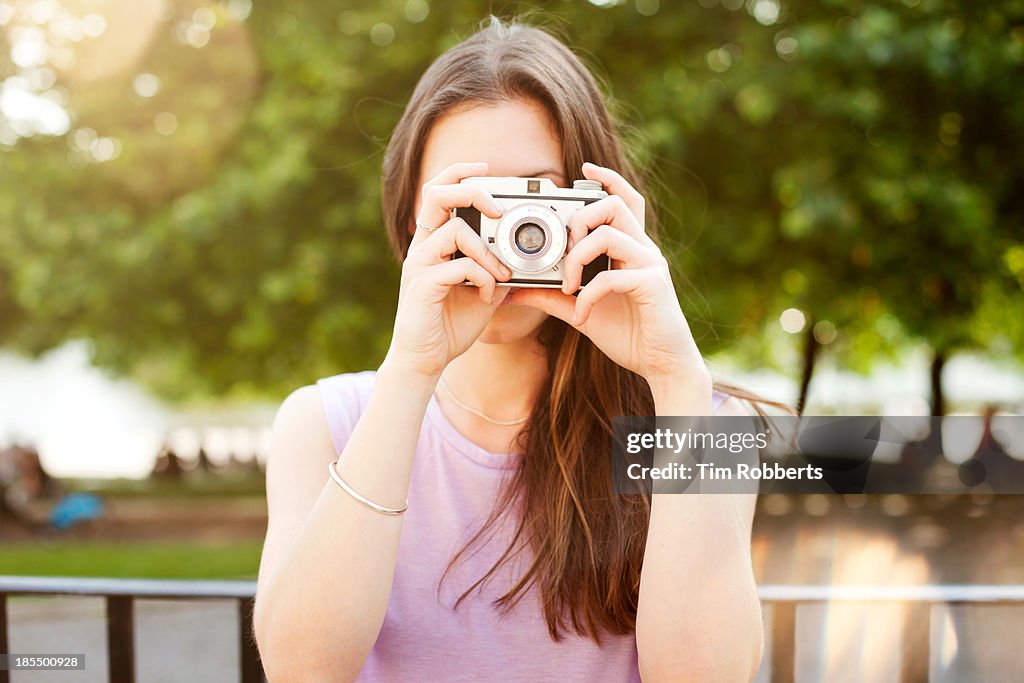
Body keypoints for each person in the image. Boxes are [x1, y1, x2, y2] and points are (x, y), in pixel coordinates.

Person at [255, 18, 768, 682]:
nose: (508, 235)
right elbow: (301, 671)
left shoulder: (706, 422)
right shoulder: (322, 425)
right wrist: (411, 371)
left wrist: (675, 383)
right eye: (472, 201)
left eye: (537, 197)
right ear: (413, 219)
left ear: (601, 204)